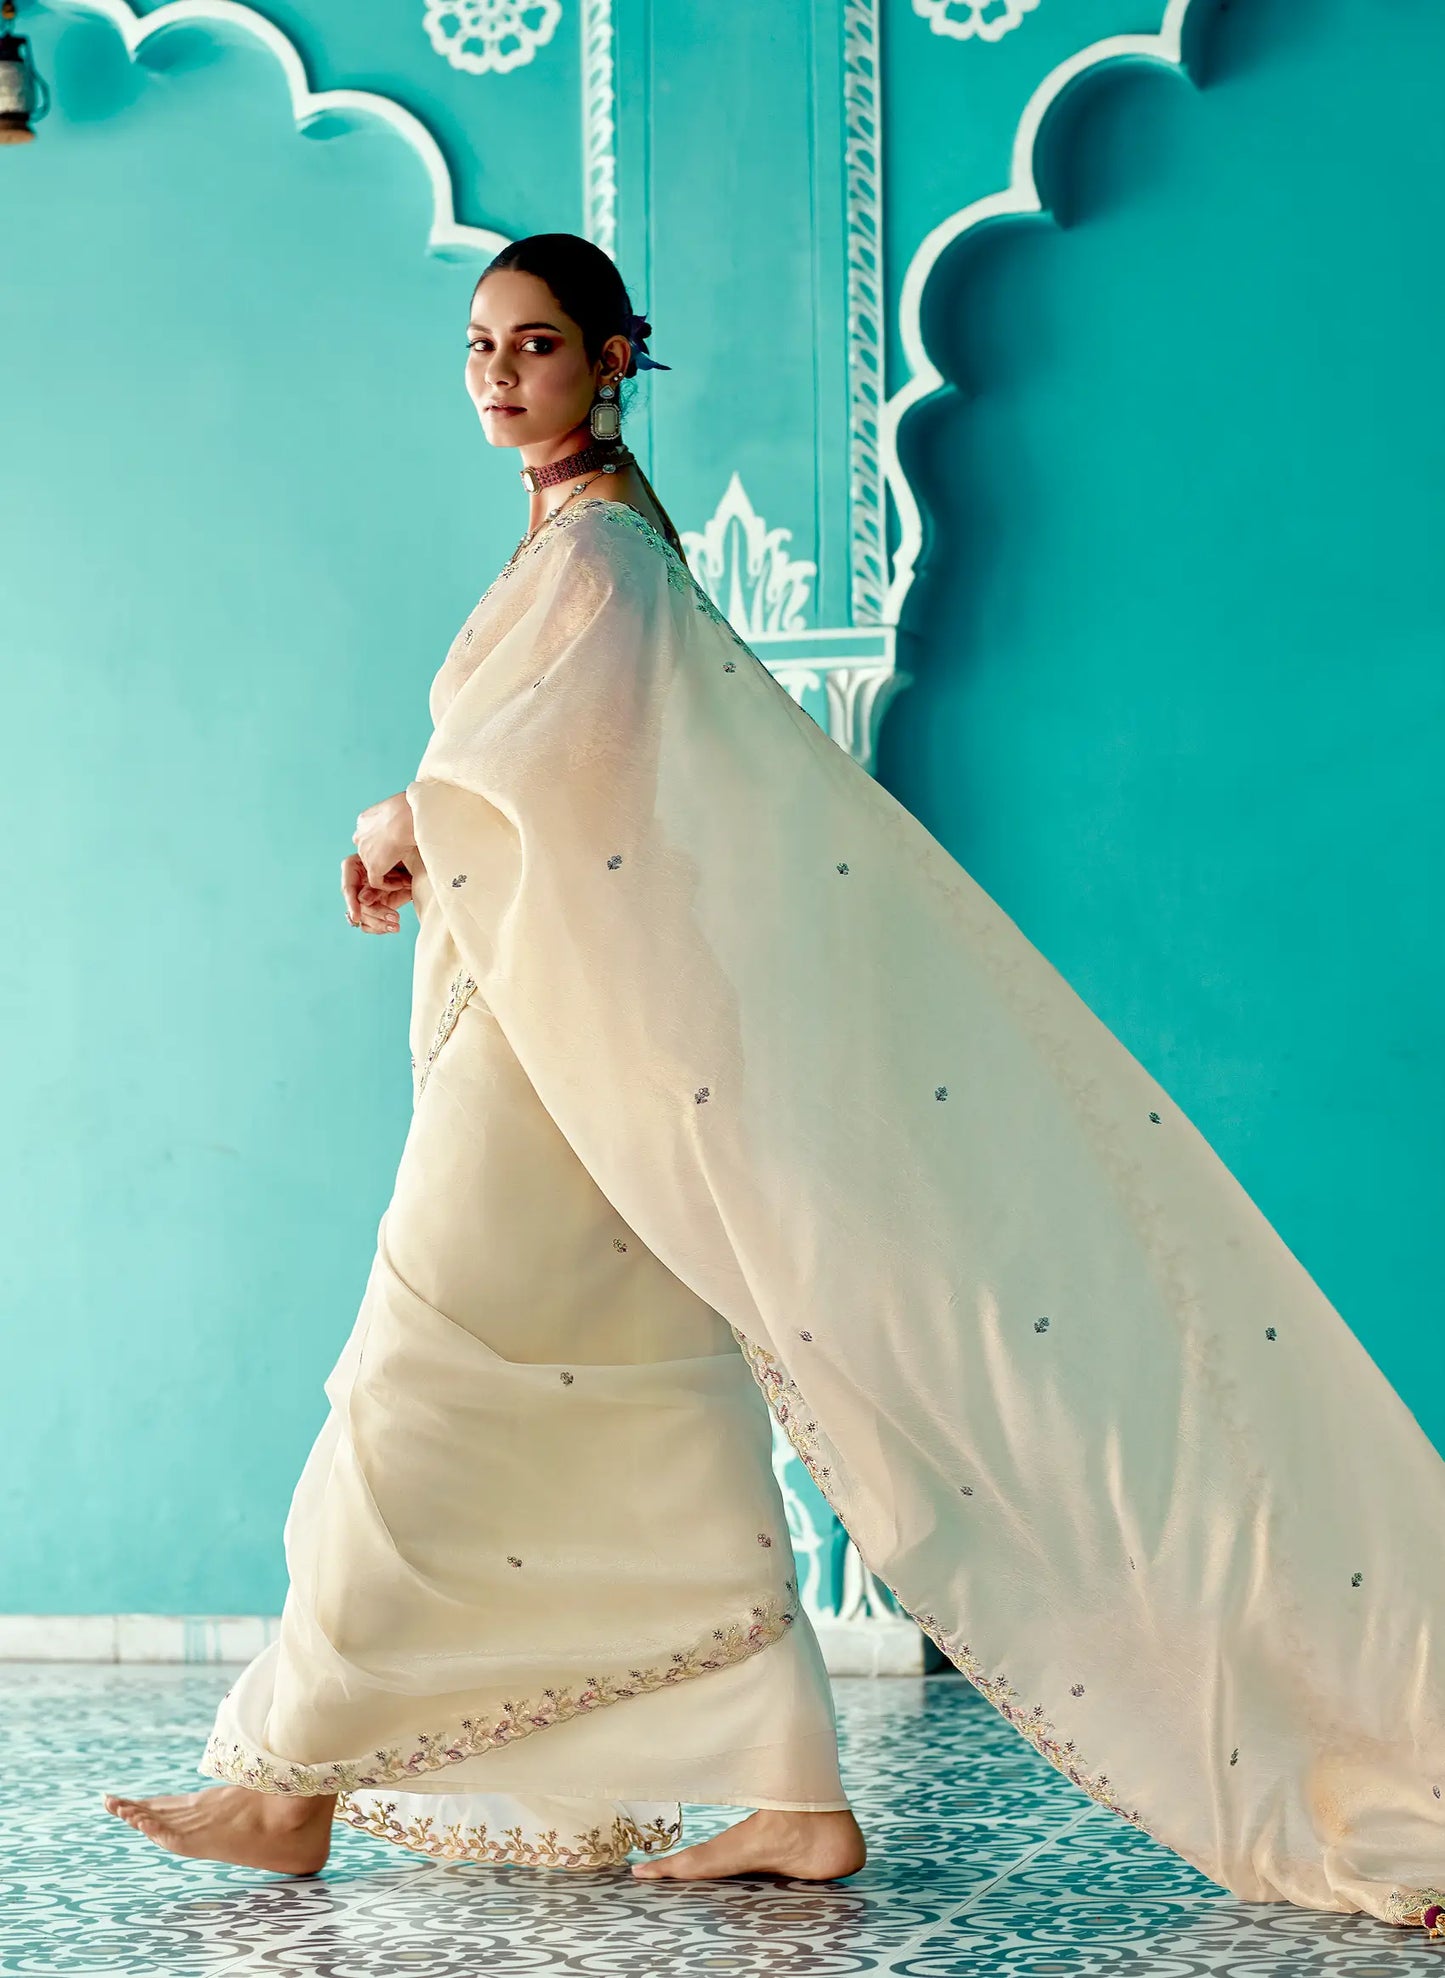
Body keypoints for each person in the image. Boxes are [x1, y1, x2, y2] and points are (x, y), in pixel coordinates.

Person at [103, 232, 1445, 1939]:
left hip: (559, 1052)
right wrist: (434, 839)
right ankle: (792, 1795)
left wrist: (398, 819)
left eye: (534, 343)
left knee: (410, 1376)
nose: (499, 374)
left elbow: (542, 786)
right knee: (641, 1392)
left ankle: (288, 1784)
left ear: (611, 358)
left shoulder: (603, 554)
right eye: (479, 345)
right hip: (570, 1034)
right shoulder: (578, 541)